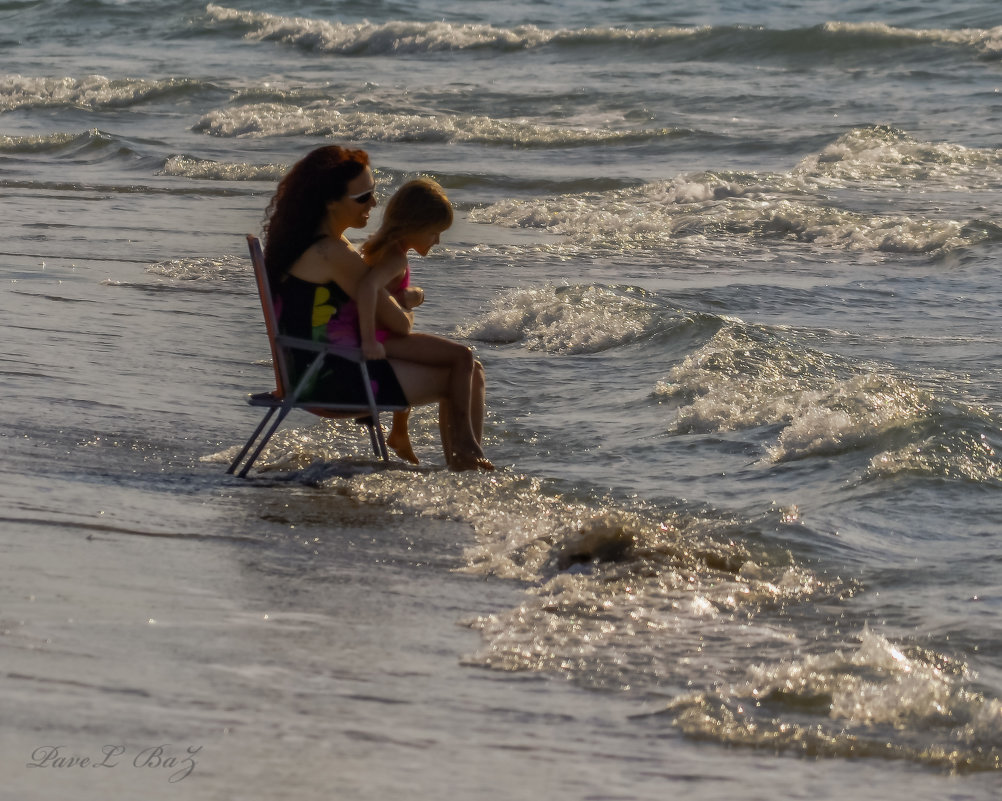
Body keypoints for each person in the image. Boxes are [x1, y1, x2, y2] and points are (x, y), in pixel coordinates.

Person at [263, 145, 492, 471]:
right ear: (329, 201)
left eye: (374, 192)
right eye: (363, 197)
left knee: (470, 369)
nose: (373, 203)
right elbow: (400, 326)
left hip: (312, 369)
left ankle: (463, 464)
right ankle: (465, 466)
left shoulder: (305, 244)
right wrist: (409, 300)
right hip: (335, 379)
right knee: (468, 373)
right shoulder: (334, 254)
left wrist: (395, 301)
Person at [356, 178, 485, 467]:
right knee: (462, 357)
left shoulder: (381, 249)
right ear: (412, 225)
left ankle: (402, 432)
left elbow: (387, 296)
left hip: (387, 337)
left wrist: (408, 296)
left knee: (452, 358)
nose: (436, 241)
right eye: (434, 233)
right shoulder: (395, 257)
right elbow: (368, 288)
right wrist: (369, 339)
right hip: (385, 342)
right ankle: (464, 441)